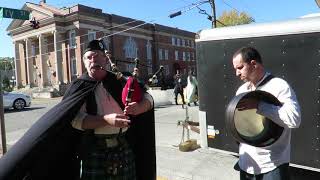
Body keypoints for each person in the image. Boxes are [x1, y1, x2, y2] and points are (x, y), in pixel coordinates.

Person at [0, 39, 157, 180]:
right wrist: (105, 120)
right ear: (84, 62)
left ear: (106, 59)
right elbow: (75, 120)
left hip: (124, 147)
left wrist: (141, 107)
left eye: (97, 56)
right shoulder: (79, 85)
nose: (93, 60)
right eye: (88, 57)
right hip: (94, 149)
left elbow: (148, 97)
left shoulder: (121, 80)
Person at [232, 46, 301, 180]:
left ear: (254, 64)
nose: (237, 73)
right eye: (235, 69)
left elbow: (294, 119)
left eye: (240, 67)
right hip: (246, 163)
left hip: (272, 165)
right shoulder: (242, 90)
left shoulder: (279, 86)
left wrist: (259, 105)